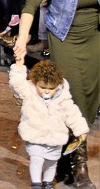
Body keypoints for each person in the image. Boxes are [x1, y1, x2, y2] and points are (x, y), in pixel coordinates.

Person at [15, 0, 100, 188]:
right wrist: (22, 38)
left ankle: (65, 158)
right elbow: (31, 5)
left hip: (94, 40)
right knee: (70, 95)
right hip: (63, 38)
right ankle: (80, 168)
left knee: (88, 99)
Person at [10, 58, 89, 189]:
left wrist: (81, 130)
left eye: (51, 89)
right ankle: (36, 183)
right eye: (42, 87)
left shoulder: (63, 97)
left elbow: (72, 113)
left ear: (57, 86)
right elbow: (16, 84)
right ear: (35, 82)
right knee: (37, 158)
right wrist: (18, 65)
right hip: (35, 133)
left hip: (55, 137)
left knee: (52, 162)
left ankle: (47, 182)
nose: (46, 91)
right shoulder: (29, 91)